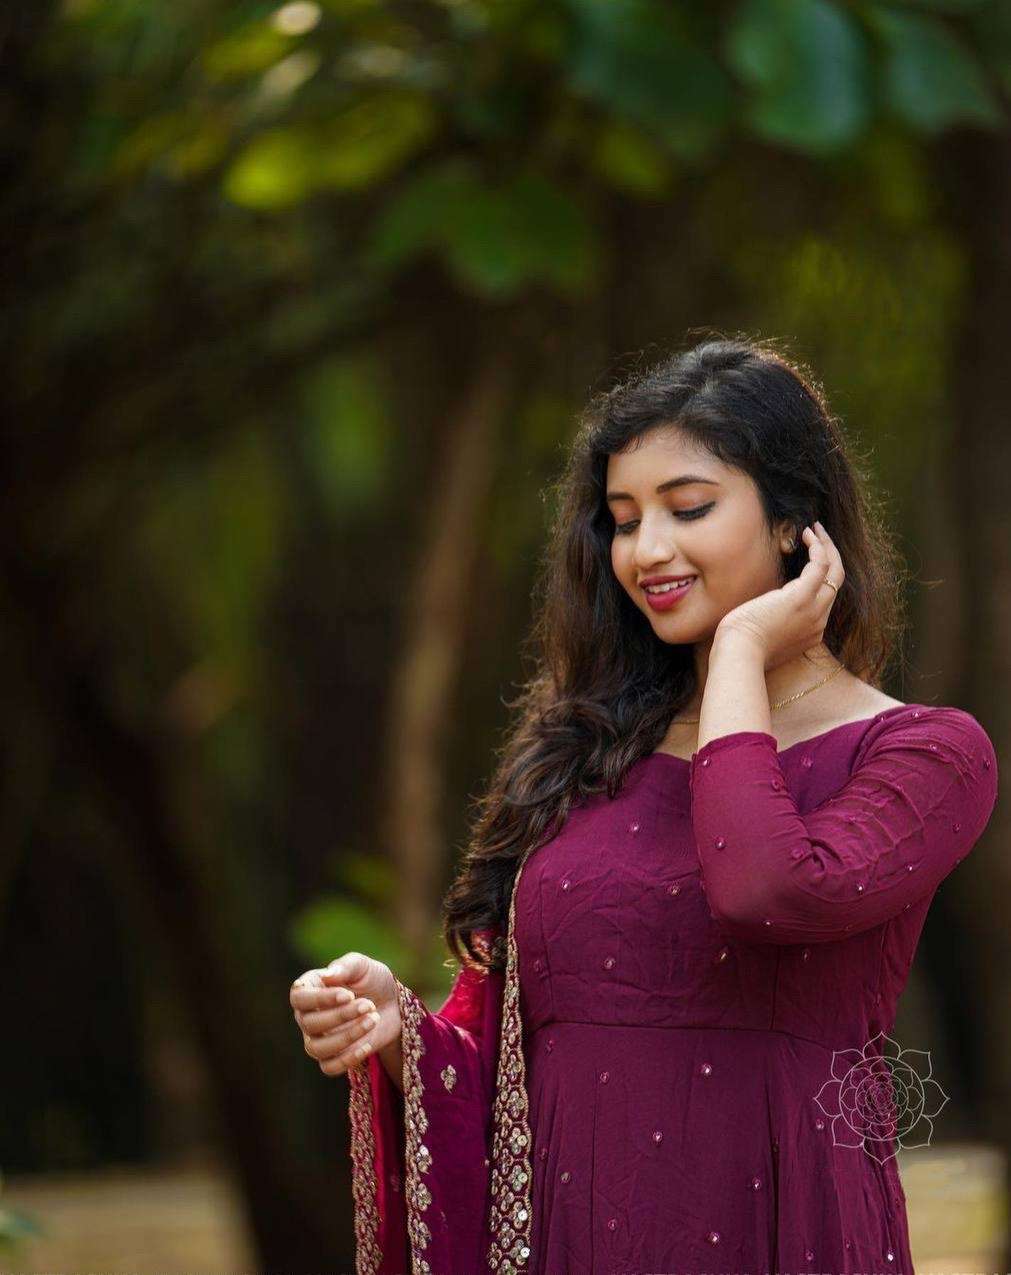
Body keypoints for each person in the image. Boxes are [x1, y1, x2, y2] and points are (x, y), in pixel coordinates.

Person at [289, 336, 1000, 1275]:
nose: (645, 551)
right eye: (622, 520)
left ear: (794, 520)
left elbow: (760, 887)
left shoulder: (922, 755)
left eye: (688, 507)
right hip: (572, 1237)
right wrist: (397, 1029)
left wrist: (741, 654)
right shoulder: (585, 752)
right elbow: (505, 1048)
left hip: (783, 1232)